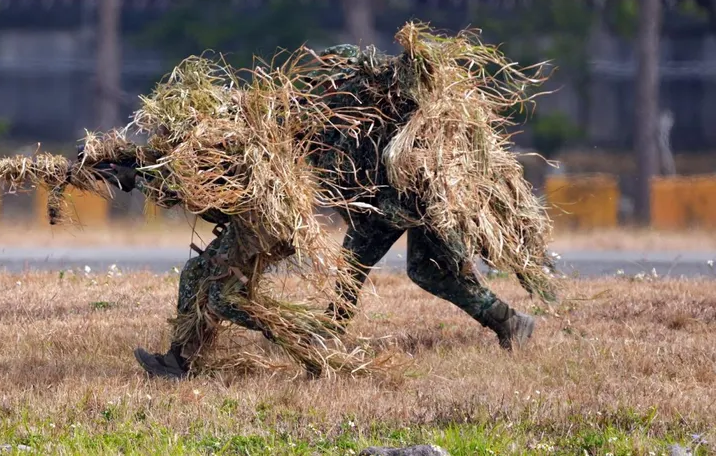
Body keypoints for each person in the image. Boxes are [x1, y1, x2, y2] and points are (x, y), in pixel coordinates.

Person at [86, 41, 542, 381]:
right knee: (416, 274)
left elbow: (204, 183)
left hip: (406, 204)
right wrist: (132, 171)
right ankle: (506, 323)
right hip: (398, 204)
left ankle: (316, 348)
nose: (321, 90)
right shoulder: (338, 123)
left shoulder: (379, 128)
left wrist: (137, 176)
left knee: (396, 274)